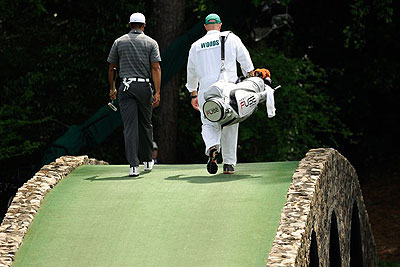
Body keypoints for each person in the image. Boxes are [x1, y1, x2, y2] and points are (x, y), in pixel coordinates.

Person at [186, 13, 254, 175]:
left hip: (206, 91)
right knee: (230, 123)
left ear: (205, 27)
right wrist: (250, 79)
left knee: (209, 122)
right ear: (220, 25)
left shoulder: (196, 45)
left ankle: (212, 146)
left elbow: (191, 72)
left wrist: (193, 93)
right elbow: (245, 61)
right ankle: (229, 164)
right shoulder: (231, 38)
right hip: (228, 89)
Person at [107, 12, 161, 177]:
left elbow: (112, 68)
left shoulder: (119, 42)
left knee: (130, 127)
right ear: (143, 25)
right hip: (144, 86)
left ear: (130, 25)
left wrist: (112, 88)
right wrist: (157, 92)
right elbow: (156, 68)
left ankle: (133, 166)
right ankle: (147, 161)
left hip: (125, 86)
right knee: (146, 124)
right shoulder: (151, 42)